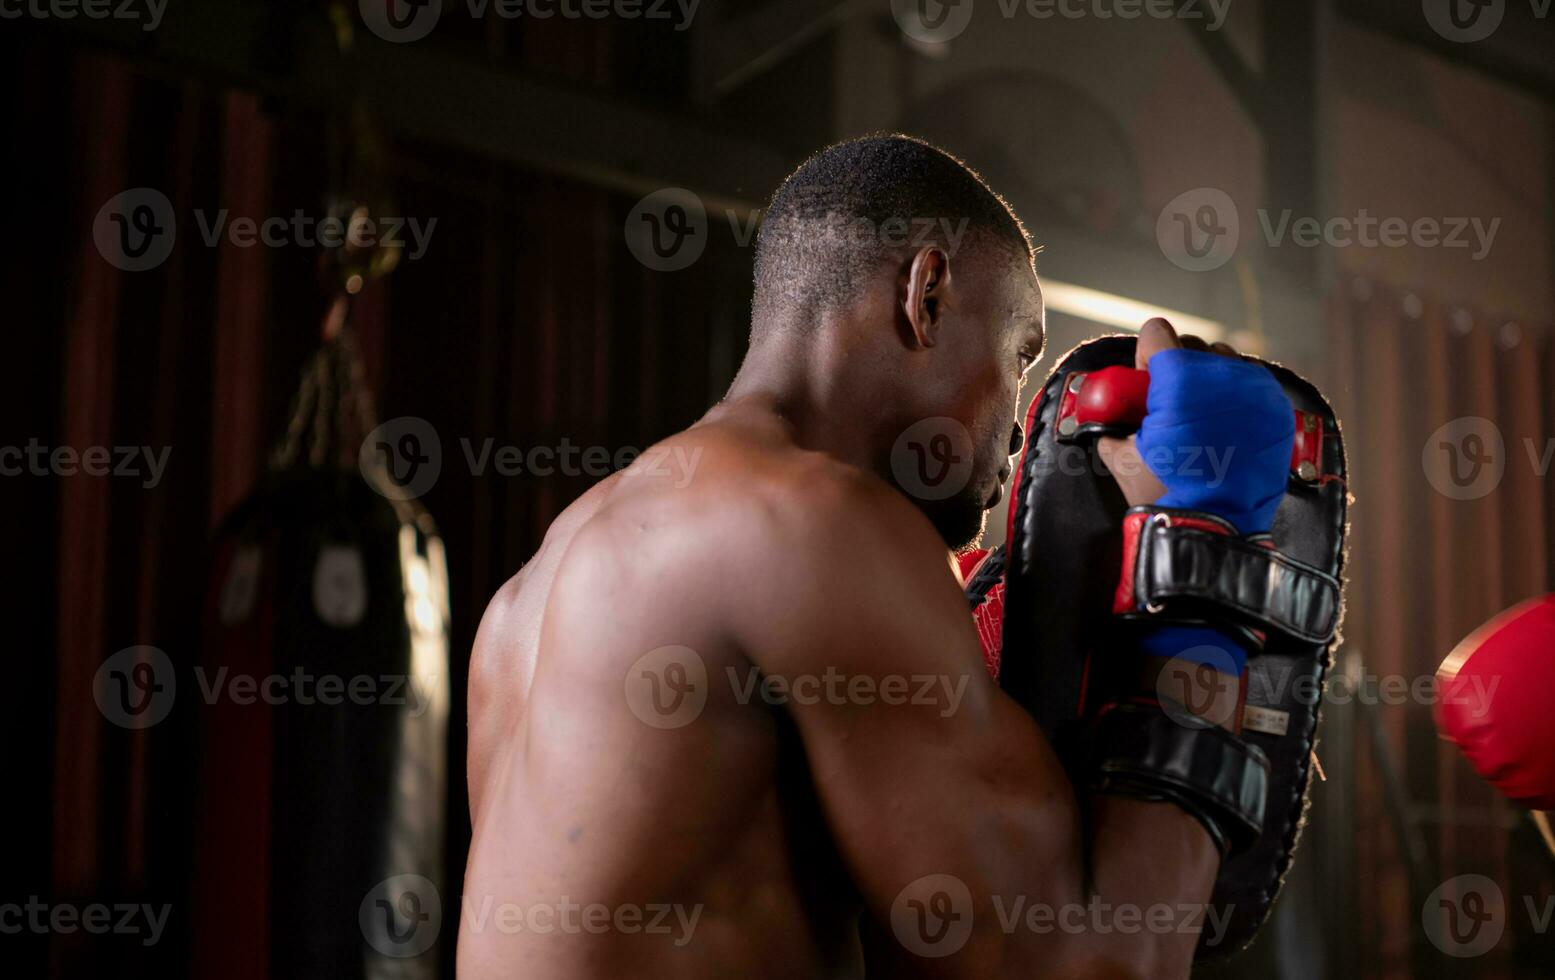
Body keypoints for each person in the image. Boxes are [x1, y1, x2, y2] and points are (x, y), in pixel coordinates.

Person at [459, 134, 1269, 978]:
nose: (1020, 421)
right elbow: (1089, 969)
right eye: (1018, 354)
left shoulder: (528, 593)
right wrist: (1206, 561)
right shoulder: (818, 524)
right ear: (926, 294)